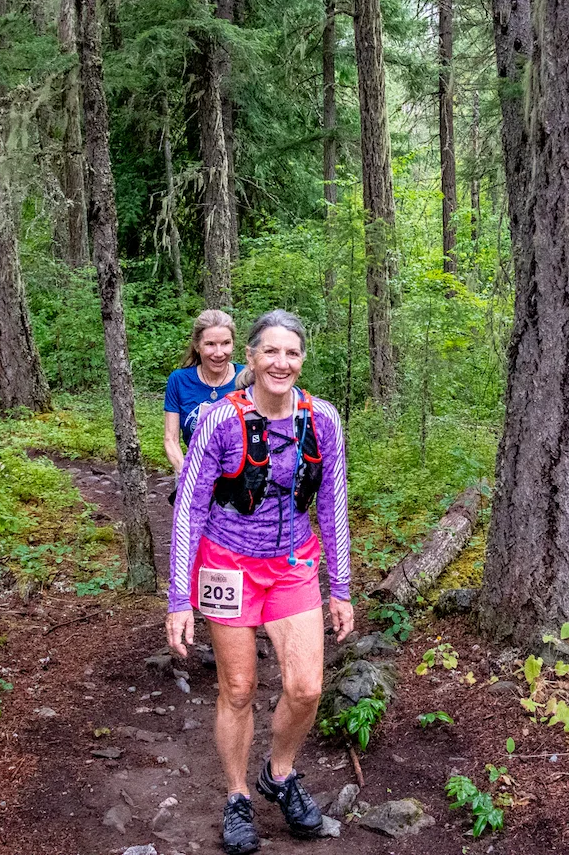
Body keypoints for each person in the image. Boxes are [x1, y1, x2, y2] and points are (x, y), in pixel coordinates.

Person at [165, 310, 354, 855]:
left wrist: (339, 587)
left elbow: (333, 504)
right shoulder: (219, 421)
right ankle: (237, 796)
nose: (281, 362)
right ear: (250, 357)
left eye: (291, 353)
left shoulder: (323, 421)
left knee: (307, 687)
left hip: (293, 563)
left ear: (302, 359)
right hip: (226, 565)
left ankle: (280, 772)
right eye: (270, 351)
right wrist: (180, 599)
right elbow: (189, 512)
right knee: (240, 687)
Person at [163, 309, 241, 480]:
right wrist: (188, 475)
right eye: (210, 344)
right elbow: (171, 439)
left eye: (226, 343)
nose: (219, 353)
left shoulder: (247, 378)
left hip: (240, 480)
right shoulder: (179, 380)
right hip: (191, 472)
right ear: (197, 346)